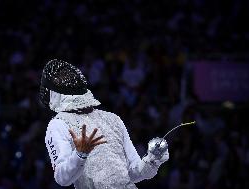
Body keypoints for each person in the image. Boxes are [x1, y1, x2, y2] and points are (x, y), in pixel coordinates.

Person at [40, 59, 169, 189]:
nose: (68, 80)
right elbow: (62, 178)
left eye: (68, 76)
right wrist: (80, 155)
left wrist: (152, 160)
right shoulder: (59, 124)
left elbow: (133, 173)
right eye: (61, 78)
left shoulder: (112, 119)